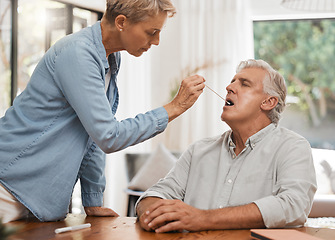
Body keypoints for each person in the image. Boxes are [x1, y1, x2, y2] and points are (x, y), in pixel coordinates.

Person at [0, 0, 206, 223]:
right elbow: (108, 135)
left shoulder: (110, 58)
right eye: (152, 32)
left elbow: (92, 137)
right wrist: (173, 108)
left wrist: (93, 199)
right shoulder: (78, 53)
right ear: (121, 22)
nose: (156, 41)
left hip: (32, 194)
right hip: (9, 182)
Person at [136, 59, 317, 232]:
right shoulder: (198, 150)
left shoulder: (293, 147)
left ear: (268, 102)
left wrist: (202, 218)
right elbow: (154, 196)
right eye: (232, 82)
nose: (229, 87)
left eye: (244, 84)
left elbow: (293, 206)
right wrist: (152, 214)